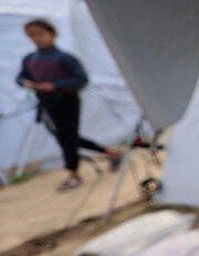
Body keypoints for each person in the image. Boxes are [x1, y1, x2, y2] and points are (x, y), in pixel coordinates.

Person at [15, 18, 120, 191]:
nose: (37, 38)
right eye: (32, 35)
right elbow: (21, 77)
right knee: (67, 138)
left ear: (53, 34)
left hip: (67, 102)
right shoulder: (30, 59)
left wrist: (54, 85)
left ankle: (74, 174)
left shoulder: (64, 58)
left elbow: (81, 79)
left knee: (67, 138)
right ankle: (111, 153)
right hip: (47, 104)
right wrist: (27, 83)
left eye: (40, 34)